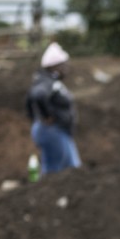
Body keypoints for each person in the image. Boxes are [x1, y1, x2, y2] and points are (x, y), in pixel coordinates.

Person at [26, 42, 80, 175]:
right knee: (53, 173)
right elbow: (37, 96)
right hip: (52, 131)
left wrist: (33, 117)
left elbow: (28, 99)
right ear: (55, 66)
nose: (66, 68)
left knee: (74, 170)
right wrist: (46, 116)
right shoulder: (46, 82)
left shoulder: (49, 81)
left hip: (59, 131)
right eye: (63, 65)